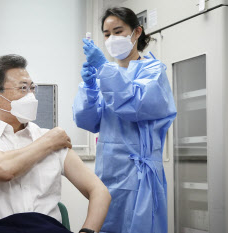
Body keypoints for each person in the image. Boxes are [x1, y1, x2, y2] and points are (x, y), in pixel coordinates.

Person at [0, 54, 111, 233]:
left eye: (32, 88)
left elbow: (99, 191)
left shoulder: (52, 138)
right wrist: (48, 142)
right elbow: (4, 169)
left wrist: (87, 232)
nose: (31, 95)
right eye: (22, 88)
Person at [73, 7, 177, 233]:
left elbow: (136, 105)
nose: (111, 39)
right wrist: (90, 87)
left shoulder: (153, 71)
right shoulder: (105, 74)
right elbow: (87, 121)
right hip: (108, 173)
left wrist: (103, 68)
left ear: (137, 32)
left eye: (118, 31)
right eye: (107, 34)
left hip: (140, 178)